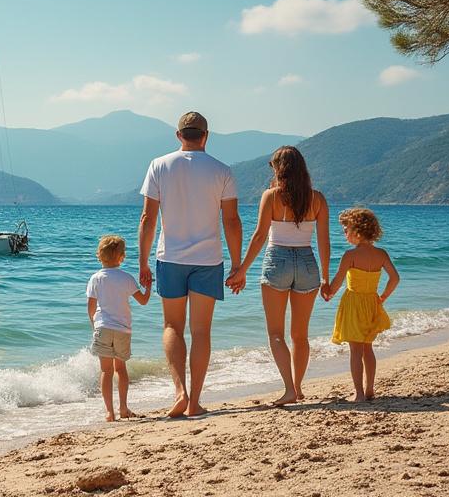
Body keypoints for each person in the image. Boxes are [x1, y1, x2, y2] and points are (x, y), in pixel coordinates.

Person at [138, 111, 243, 418]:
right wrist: (237, 264)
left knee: (172, 326)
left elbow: (148, 218)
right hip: (209, 260)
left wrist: (142, 261)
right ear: (206, 135)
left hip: (169, 257)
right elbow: (232, 221)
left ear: (178, 135)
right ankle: (195, 401)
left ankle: (179, 392)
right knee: (201, 331)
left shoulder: (159, 165)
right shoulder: (222, 171)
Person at [228, 146, 330, 405]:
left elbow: (260, 236)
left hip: (278, 261)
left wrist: (242, 269)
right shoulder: (317, 199)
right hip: (307, 263)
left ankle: (289, 390)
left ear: (279, 168)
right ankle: (297, 387)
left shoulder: (271, 196)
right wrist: (327, 278)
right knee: (301, 335)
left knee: (276, 333)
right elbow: (324, 242)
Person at [322, 207, 399, 402]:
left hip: (354, 303)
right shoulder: (381, 254)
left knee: (355, 350)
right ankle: (370, 389)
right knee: (368, 348)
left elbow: (338, 282)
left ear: (357, 231)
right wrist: (382, 298)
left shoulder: (350, 255)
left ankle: (359, 393)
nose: (344, 234)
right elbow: (395, 278)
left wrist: (327, 290)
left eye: (346, 230)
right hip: (372, 302)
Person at [86, 234, 151, 421]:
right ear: (122, 257)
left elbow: (91, 307)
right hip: (123, 329)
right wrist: (148, 286)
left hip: (102, 328)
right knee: (120, 369)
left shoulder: (95, 278)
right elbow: (144, 301)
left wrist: (94, 324)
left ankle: (109, 412)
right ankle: (123, 408)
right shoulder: (126, 278)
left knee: (105, 371)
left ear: (99, 255)